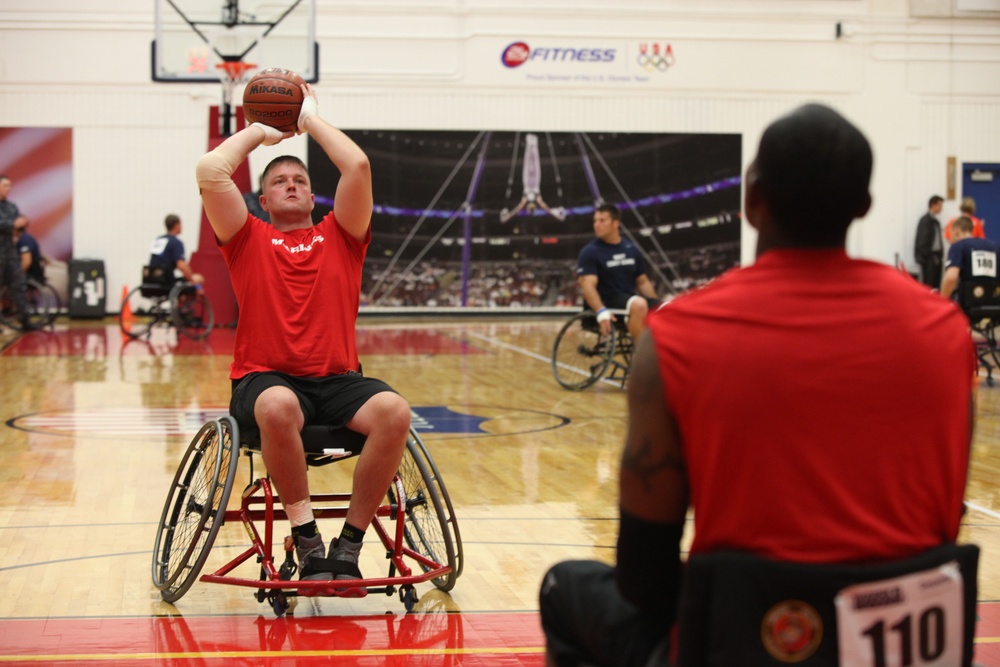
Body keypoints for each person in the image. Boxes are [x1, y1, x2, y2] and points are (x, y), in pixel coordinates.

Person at [539, 104, 975, 666]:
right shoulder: (945, 331)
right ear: (863, 206)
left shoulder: (676, 337)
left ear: (751, 200)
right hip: (901, 646)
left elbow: (644, 582)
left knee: (564, 587)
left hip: (745, 641)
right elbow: (946, 519)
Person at [195, 83, 410, 593]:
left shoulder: (342, 233)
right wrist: (263, 129)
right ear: (263, 197)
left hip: (336, 382)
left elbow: (356, 167)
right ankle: (306, 534)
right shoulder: (246, 236)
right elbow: (211, 171)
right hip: (264, 378)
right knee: (276, 406)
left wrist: (308, 119)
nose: (290, 185)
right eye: (279, 181)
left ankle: (350, 544)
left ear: (312, 195)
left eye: (299, 180)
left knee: (395, 413)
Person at [575, 203, 660, 342]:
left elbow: (642, 281)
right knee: (639, 304)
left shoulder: (631, 249)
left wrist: (656, 306)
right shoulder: (590, 252)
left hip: (629, 299)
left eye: (602, 220)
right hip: (607, 301)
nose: (597, 224)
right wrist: (601, 310)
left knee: (666, 307)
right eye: (595, 221)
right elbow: (587, 286)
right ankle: (643, 357)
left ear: (615, 223)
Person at [500, 133, 566, 223]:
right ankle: (534, 143)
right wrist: (556, 215)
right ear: (534, 207)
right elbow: (547, 209)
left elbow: (517, 210)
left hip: (527, 181)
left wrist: (508, 217)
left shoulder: (524, 200)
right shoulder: (538, 200)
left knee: (527, 162)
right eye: (532, 209)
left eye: (529, 209)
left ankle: (529, 143)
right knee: (535, 162)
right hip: (535, 181)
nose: (531, 208)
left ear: (527, 207)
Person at [0, 175, 35, 331]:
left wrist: (23, 223)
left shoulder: (11, 206)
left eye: (9, 185)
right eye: (5, 185)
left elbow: (18, 228)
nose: (8, 188)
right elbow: (8, 225)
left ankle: (25, 319)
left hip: (9, 250)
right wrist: (12, 224)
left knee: (18, 284)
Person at [941, 214, 1000, 302]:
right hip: (994, 303)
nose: (950, 239)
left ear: (956, 231)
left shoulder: (958, 246)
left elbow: (951, 277)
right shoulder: (995, 246)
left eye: (950, 234)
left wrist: (942, 300)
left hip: (968, 303)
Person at [148, 214, 204, 286]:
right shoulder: (176, 242)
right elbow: (181, 266)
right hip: (166, 281)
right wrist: (193, 280)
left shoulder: (158, 240)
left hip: (150, 278)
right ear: (176, 225)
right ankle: (197, 290)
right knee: (198, 279)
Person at [914, 194, 944, 289]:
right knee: (929, 285)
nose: (941, 208)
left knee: (936, 285)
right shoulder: (925, 221)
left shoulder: (936, 222)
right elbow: (922, 241)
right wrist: (927, 257)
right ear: (933, 205)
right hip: (929, 260)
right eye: (939, 205)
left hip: (937, 259)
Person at [14, 216, 46, 284]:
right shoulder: (17, 240)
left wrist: (14, 276)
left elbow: (26, 262)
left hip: (30, 275)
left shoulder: (25, 240)